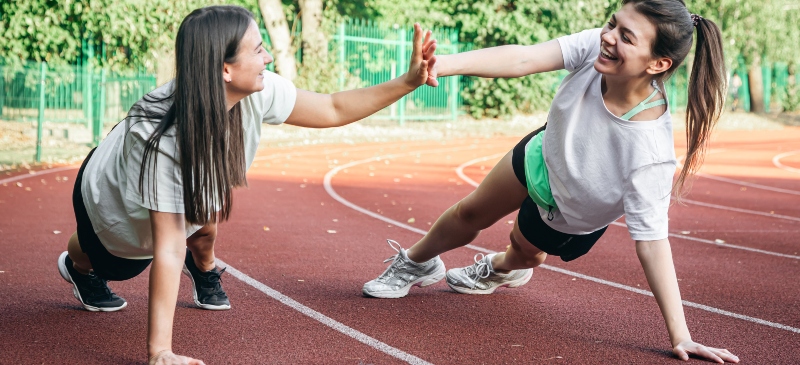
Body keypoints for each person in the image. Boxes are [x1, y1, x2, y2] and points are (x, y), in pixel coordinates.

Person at [56, 5, 437, 365]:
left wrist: (408, 82)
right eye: (258, 50)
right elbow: (168, 248)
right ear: (224, 69)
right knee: (108, 259)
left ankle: (202, 267)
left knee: (202, 232)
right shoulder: (163, 142)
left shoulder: (254, 89)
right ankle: (78, 264)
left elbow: (333, 107)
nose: (268, 57)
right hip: (109, 203)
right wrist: (161, 352)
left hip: (179, 186)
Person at [362, 0, 739, 363]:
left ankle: (505, 267)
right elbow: (524, 57)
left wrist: (681, 335)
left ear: (658, 63)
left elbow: (653, 243)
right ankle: (417, 263)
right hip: (543, 155)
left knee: (522, 249)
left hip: (570, 210)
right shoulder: (599, 49)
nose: (609, 37)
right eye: (612, 24)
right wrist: (442, 65)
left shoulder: (650, 151)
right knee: (469, 211)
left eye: (627, 37)